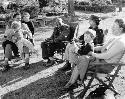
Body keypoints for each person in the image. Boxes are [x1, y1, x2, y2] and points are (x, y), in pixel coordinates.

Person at [64, 19, 125, 88]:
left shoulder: (121, 42)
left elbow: (107, 56)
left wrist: (92, 53)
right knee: (81, 58)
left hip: (105, 65)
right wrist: (89, 48)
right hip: (101, 61)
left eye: (114, 26)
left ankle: (73, 82)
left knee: (81, 59)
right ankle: (74, 81)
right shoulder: (115, 38)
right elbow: (102, 47)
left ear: (120, 29)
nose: (112, 28)